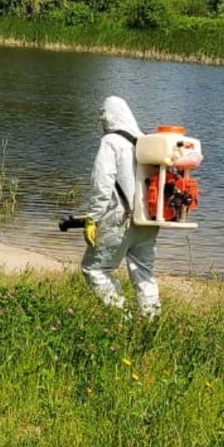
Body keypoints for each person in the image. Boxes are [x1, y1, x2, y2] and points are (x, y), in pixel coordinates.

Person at [80, 96, 161, 317]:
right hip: (148, 219)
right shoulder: (145, 142)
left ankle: (121, 317)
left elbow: (102, 183)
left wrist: (93, 218)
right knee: (143, 272)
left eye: (102, 117)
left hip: (120, 218)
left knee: (95, 269)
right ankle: (151, 319)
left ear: (108, 117)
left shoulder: (111, 142)